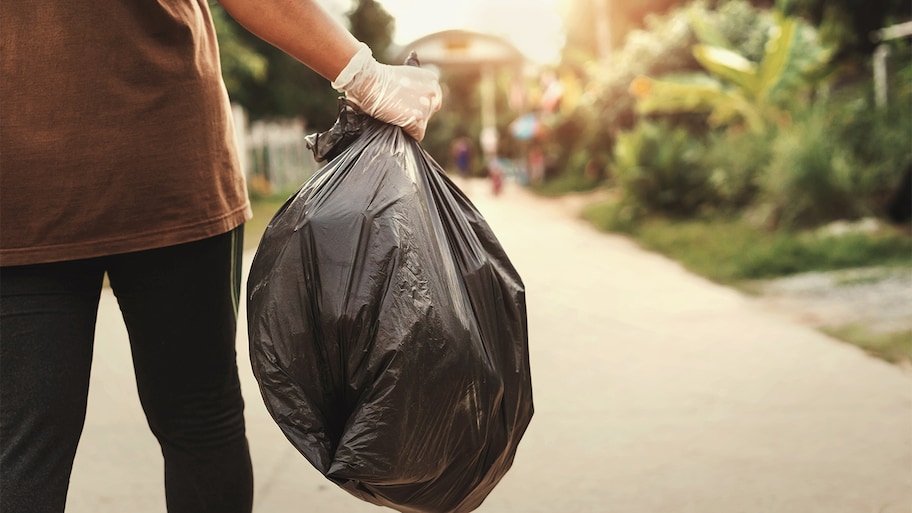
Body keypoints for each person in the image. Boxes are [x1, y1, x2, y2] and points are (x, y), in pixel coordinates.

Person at [0, 1, 442, 512]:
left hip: (18, 179)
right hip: (165, 158)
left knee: (21, 450)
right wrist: (366, 74)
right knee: (199, 424)